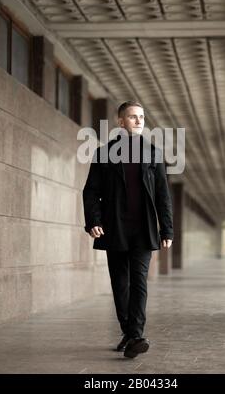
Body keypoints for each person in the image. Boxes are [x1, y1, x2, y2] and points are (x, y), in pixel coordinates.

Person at [83, 101, 173, 358]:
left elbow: (163, 195)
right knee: (120, 283)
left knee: (139, 281)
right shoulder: (104, 153)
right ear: (120, 122)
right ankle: (129, 331)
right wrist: (93, 221)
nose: (138, 120)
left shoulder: (154, 154)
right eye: (132, 117)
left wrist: (167, 229)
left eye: (142, 117)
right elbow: (91, 191)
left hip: (143, 228)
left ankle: (136, 334)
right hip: (115, 228)